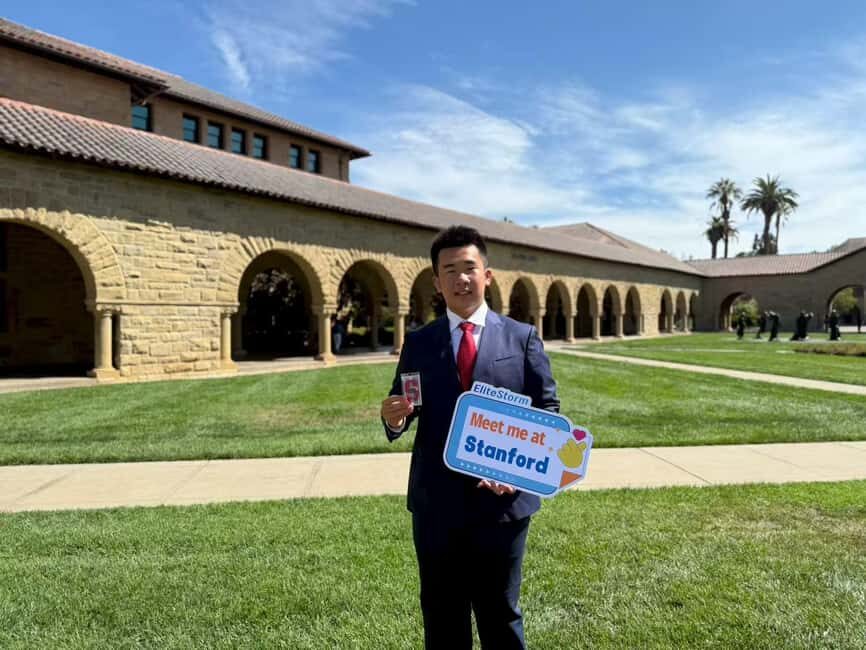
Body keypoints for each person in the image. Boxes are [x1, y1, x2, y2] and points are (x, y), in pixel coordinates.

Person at [380, 225, 558, 649]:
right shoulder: (419, 343)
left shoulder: (522, 338)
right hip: (436, 504)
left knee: (501, 612)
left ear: (487, 275)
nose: (461, 279)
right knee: (442, 614)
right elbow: (404, 404)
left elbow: (548, 414)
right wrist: (395, 418)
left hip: (503, 504)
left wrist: (516, 471)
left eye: (469, 268)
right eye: (449, 271)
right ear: (437, 282)